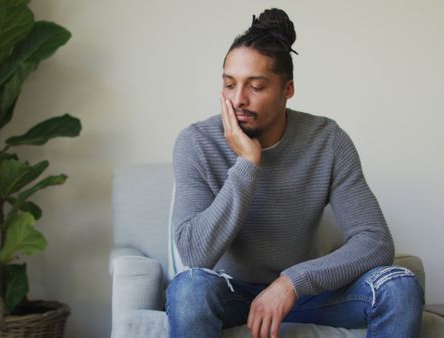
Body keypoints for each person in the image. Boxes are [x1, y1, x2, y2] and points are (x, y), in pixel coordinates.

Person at [166, 8, 424, 338]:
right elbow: (195, 255)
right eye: (229, 84)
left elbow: (375, 242)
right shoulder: (196, 142)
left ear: (287, 90)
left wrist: (292, 282)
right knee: (189, 289)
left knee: (399, 285)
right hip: (229, 295)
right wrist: (247, 164)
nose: (238, 100)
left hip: (305, 296)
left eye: (255, 86)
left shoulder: (327, 140)